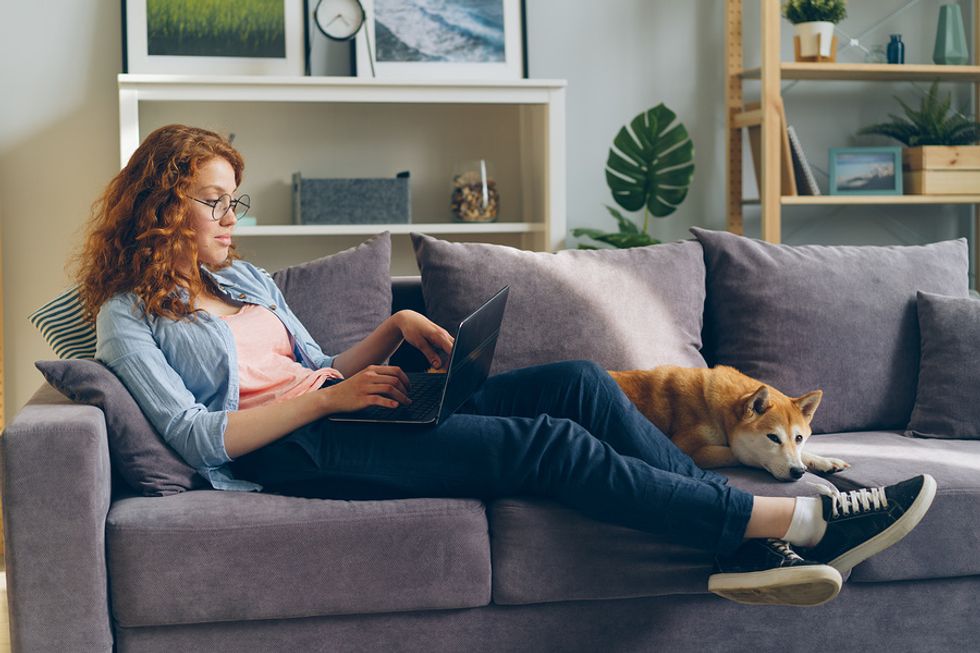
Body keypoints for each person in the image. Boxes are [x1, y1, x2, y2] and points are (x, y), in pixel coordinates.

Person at [77, 124, 936, 607]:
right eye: (214, 200)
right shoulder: (127, 315)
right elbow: (197, 439)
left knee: (580, 381)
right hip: (292, 450)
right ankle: (794, 526)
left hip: (351, 405)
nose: (232, 215)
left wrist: (392, 331)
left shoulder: (243, 277)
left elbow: (311, 363)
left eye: (236, 198)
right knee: (546, 444)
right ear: (162, 203)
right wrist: (327, 406)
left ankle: (737, 543)